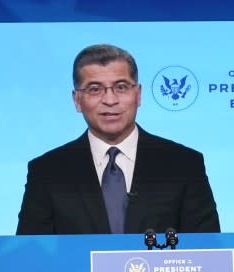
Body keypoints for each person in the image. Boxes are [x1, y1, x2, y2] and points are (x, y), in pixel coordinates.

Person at [16, 43, 220, 235]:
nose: (110, 100)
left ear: (138, 95)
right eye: (94, 89)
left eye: (121, 87)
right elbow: (31, 255)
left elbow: (208, 253)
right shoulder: (46, 171)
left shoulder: (184, 164)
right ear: (77, 100)